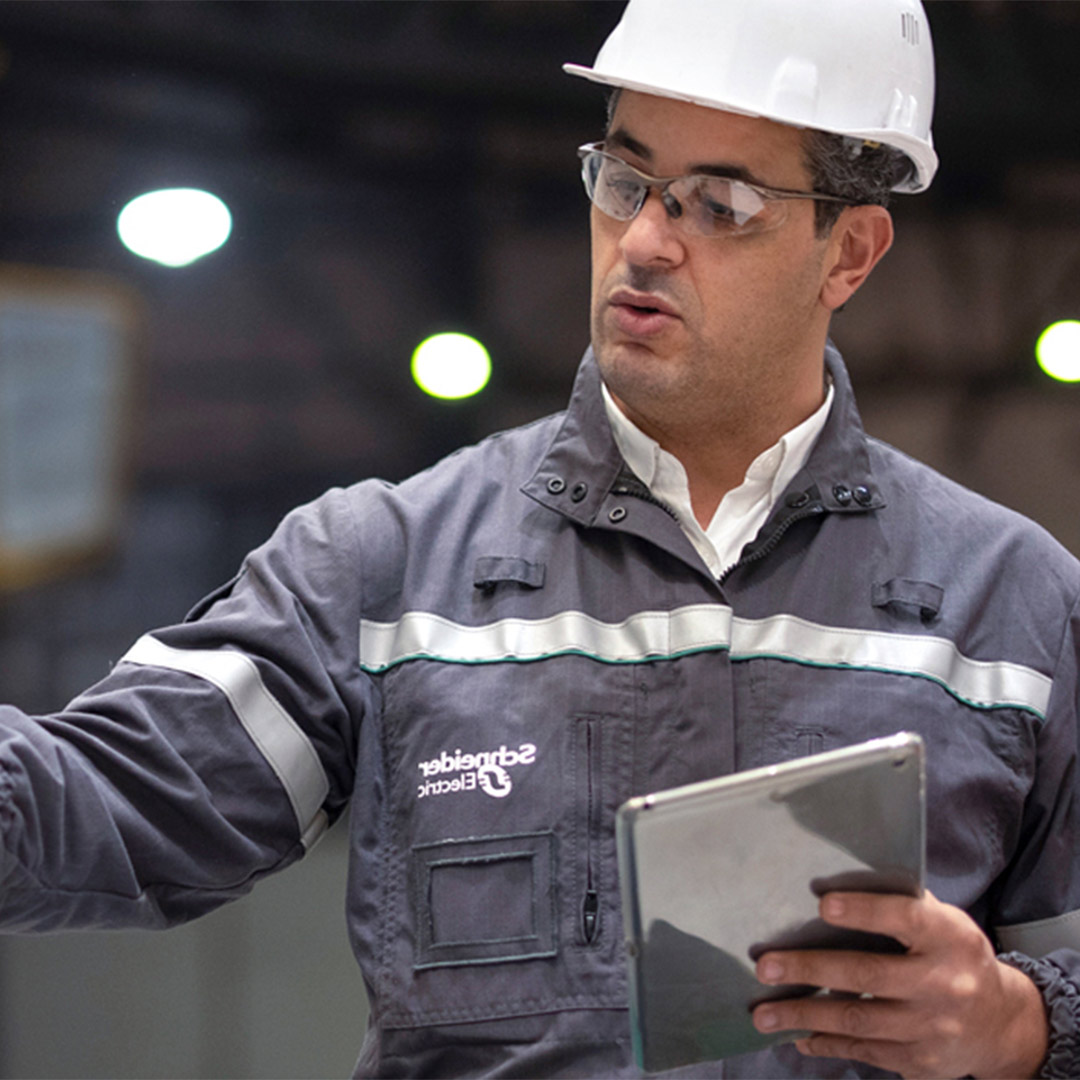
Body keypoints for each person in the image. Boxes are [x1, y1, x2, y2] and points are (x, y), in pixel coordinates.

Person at [0, 0, 1078, 1076]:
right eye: (625, 179)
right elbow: (103, 803)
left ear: (849, 251)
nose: (647, 240)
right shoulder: (386, 573)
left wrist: (1020, 1023)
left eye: (721, 203)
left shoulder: (1014, 607)